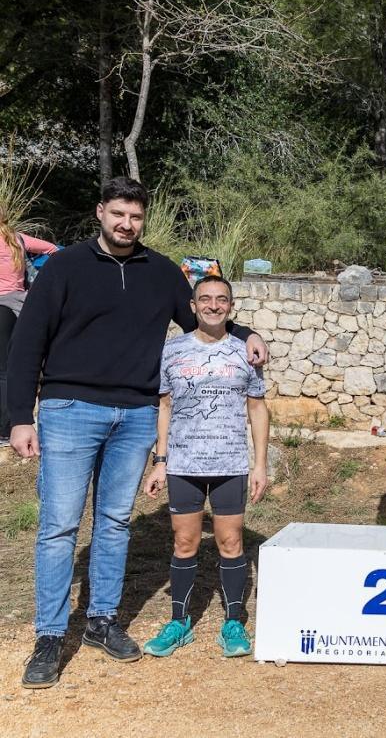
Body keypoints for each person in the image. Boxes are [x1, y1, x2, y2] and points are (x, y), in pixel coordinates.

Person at [13, 177, 267, 689]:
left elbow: (204, 316)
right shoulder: (64, 267)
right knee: (60, 526)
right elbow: (26, 341)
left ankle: (101, 622)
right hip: (69, 409)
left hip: (134, 416)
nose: (127, 224)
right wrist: (20, 415)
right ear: (100, 213)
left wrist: (248, 333)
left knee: (113, 523)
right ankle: (49, 636)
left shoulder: (160, 272)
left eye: (136, 217)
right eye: (118, 215)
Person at [140, 276, 269, 658]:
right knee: (185, 543)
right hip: (183, 463)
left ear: (231, 306)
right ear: (193, 306)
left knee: (231, 543)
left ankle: (233, 622)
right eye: (206, 299)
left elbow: (258, 408)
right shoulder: (172, 350)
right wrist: (160, 461)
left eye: (222, 299)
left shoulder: (245, 351)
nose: (214, 305)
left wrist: (260, 464)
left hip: (230, 463)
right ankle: (179, 623)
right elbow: (163, 407)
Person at [0, 215, 58, 446]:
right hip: (23, 303)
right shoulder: (17, 239)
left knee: (2, 370)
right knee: (27, 361)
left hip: (0, 306)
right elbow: (54, 249)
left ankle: (5, 429)